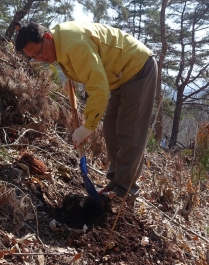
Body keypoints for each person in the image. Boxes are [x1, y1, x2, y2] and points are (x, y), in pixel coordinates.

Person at [14, 21, 157, 201]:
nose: (39, 59)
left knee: (129, 133)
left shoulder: (74, 44)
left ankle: (124, 194)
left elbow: (98, 86)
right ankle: (115, 183)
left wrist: (88, 126)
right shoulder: (60, 42)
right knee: (111, 130)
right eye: (34, 57)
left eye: (39, 52)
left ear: (47, 37)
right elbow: (85, 65)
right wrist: (71, 77)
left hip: (138, 68)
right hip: (120, 76)